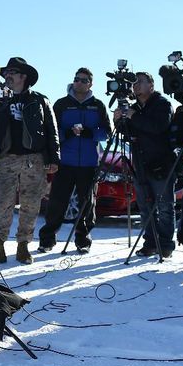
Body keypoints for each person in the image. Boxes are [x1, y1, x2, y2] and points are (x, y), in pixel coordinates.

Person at [0, 57, 60, 265]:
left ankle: (23, 245)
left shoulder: (40, 100)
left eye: (13, 72)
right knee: (2, 203)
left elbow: (51, 131)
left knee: (31, 204)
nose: (8, 75)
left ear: (23, 76)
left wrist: (54, 158)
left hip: (33, 158)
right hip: (6, 158)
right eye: (6, 72)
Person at [38, 67, 110, 254]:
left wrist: (89, 133)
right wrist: (68, 133)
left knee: (87, 204)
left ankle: (83, 239)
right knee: (57, 202)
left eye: (84, 80)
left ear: (90, 84)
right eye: (77, 79)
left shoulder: (98, 105)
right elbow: (51, 132)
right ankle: (47, 239)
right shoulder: (61, 104)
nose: (79, 82)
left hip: (88, 163)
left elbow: (106, 133)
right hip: (65, 162)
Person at [114, 72, 176, 257]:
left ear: (151, 85)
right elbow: (127, 132)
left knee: (164, 206)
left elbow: (158, 127)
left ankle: (165, 244)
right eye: (134, 83)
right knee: (144, 206)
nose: (136, 85)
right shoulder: (133, 108)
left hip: (162, 163)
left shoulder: (162, 104)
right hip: (140, 163)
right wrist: (119, 121)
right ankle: (150, 242)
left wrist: (133, 116)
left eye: (140, 82)